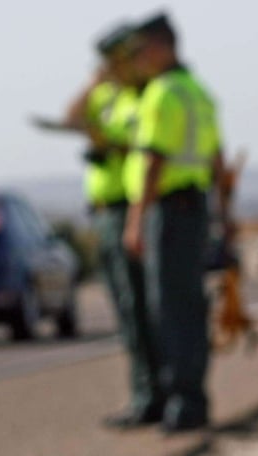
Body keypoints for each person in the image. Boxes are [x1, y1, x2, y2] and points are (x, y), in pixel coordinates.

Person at [122, 12, 230, 433]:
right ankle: (190, 398)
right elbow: (218, 158)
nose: (138, 60)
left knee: (169, 309)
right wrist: (225, 213)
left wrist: (136, 220)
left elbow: (153, 161)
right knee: (188, 305)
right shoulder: (198, 92)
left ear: (162, 46)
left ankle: (183, 402)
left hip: (169, 210)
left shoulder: (163, 93)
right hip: (194, 207)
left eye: (141, 50)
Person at [63, 23, 165, 429]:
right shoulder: (106, 95)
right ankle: (146, 393)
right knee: (127, 311)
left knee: (141, 308)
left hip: (129, 208)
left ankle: (153, 396)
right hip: (104, 211)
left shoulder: (140, 98)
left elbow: (149, 149)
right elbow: (70, 117)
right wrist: (93, 83)